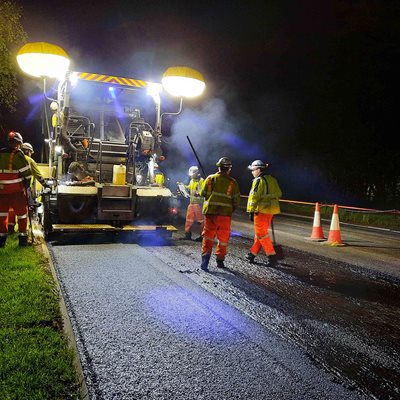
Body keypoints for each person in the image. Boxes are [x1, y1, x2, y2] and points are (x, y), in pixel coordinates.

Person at [199, 157, 240, 271]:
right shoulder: (233, 182)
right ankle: (220, 261)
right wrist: (230, 209)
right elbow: (236, 200)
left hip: (210, 213)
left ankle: (205, 261)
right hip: (225, 215)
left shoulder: (210, 178)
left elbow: (203, 193)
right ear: (229, 169)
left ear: (218, 167)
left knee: (208, 237)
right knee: (223, 239)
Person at [245, 159, 282, 266]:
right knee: (260, 233)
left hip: (260, 211)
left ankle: (272, 256)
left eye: (253, 170)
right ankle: (252, 254)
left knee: (261, 234)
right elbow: (279, 193)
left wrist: (251, 211)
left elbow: (253, 197)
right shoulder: (272, 179)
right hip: (270, 211)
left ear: (259, 170)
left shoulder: (258, 181)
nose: (252, 172)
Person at [0, 132, 32, 247]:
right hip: (16, 191)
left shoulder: (1, 153)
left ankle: (1, 241)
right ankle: (23, 240)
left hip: (1, 192)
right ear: (18, 143)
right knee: (22, 214)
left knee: (2, 215)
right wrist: (27, 187)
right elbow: (27, 174)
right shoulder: (18, 154)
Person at [8, 142, 47, 232]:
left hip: (11, 187)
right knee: (23, 210)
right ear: (28, 151)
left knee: (11, 208)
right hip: (23, 188)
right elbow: (38, 175)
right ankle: (23, 231)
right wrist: (45, 184)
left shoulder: (15, 157)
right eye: (30, 152)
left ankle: (10, 226)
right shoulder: (29, 160)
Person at [182, 166, 204, 241]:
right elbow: (189, 187)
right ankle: (187, 234)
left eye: (192, 174)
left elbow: (204, 191)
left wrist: (199, 193)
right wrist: (183, 186)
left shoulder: (201, 181)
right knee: (189, 219)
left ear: (197, 173)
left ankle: (202, 236)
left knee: (200, 221)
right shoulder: (192, 181)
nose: (191, 176)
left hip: (199, 204)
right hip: (192, 203)